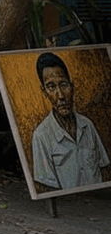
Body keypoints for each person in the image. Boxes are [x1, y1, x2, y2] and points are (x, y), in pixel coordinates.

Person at [31, 52, 111, 191]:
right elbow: (47, 188)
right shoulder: (41, 136)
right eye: (51, 87)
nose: (60, 95)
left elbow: (104, 169)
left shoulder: (87, 125)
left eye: (64, 84)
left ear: (72, 86)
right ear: (44, 92)